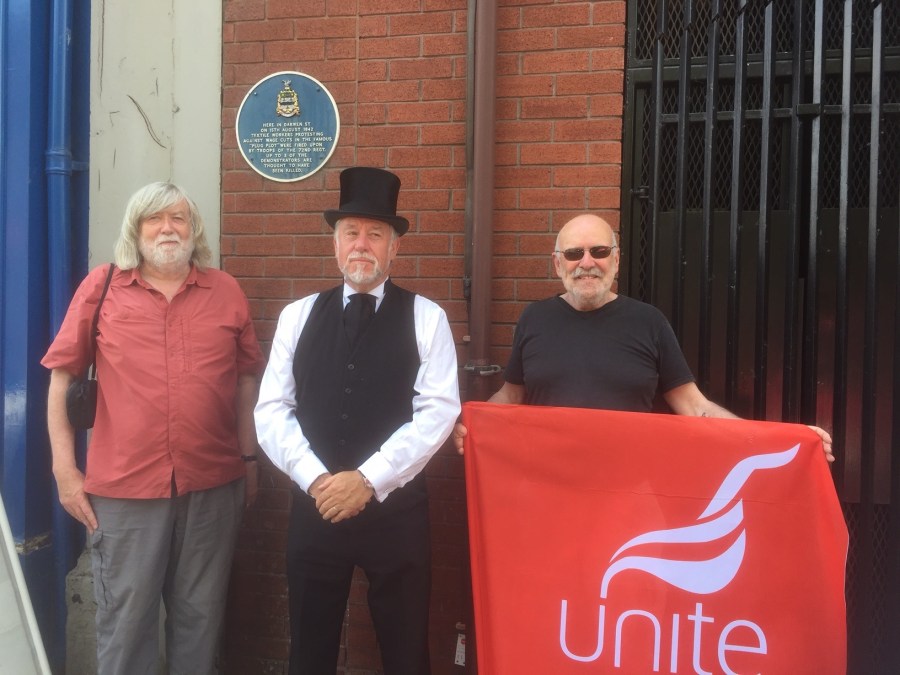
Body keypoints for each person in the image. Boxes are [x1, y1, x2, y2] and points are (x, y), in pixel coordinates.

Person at [42, 182, 265, 675]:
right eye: (154, 219)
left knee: (200, 621)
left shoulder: (225, 290)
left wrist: (249, 460)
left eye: (179, 218)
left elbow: (246, 380)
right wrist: (64, 470)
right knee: (127, 626)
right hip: (124, 492)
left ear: (194, 229)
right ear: (136, 229)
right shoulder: (103, 288)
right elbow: (62, 377)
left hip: (212, 485)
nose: (168, 228)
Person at [254, 166, 461, 675]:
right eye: (351, 232)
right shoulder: (297, 315)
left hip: (397, 513)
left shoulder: (427, 317)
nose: (361, 244)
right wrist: (319, 480)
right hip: (316, 505)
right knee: (309, 646)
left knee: (406, 645)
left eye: (375, 234)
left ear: (396, 248)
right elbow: (271, 410)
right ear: (335, 242)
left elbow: (437, 411)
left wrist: (369, 480)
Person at [454, 213, 834, 460]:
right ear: (558, 264)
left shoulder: (648, 322)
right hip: (549, 489)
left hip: (628, 493)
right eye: (574, 253)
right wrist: (472, 425)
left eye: (599, 251)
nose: (587, 262)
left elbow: (693, 406)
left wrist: (783, 441)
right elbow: (512, 396)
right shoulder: (534, 319)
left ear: (616, 260)